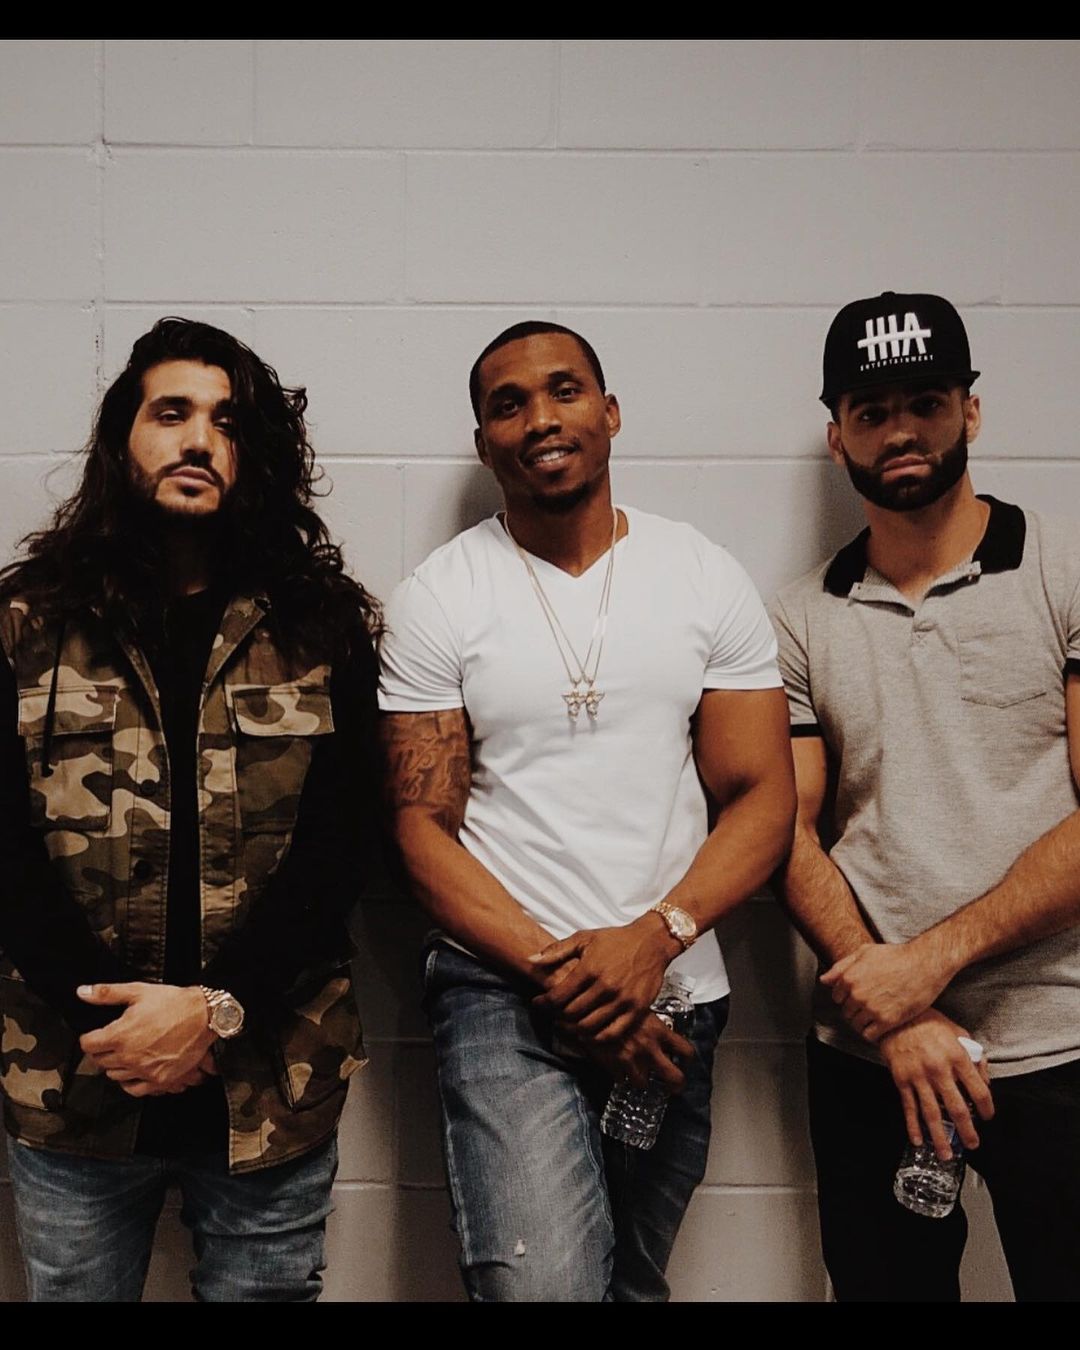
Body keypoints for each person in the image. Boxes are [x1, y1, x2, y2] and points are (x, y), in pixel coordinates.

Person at [378, 321, 795, 1302]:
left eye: (563, 391)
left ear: (609, 413)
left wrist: (653, 942)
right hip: (500, 986)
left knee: (632, 1284)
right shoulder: (440, 597)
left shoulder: (702, 574)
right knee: (544, 1287)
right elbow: (419, 830)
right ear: (484, 442)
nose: (539, 419)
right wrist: (569, 979)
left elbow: (762, 797)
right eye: (508, 404)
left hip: (674, 988)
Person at [0, 318, 381, 1302]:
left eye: (228, 423)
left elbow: (341, 847)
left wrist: (213, 1011)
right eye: (171, 413)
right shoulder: (26, 624)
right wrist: (121, 1029)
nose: (200, 440)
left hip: (273, 1088)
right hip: (74, 1082)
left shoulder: (322, 626)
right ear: (122, 436)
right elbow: (5, 855)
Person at [771, 290, 1080, 1302]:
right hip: (871, 1058)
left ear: (970, 412)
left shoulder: (1067, 572)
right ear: (837, 435)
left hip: (1058, 1042)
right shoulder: (798, 619)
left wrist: (926, 965)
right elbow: (784, 829)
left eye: (927, 403)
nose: (900, 430)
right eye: (871, 411)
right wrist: (893, 1014)